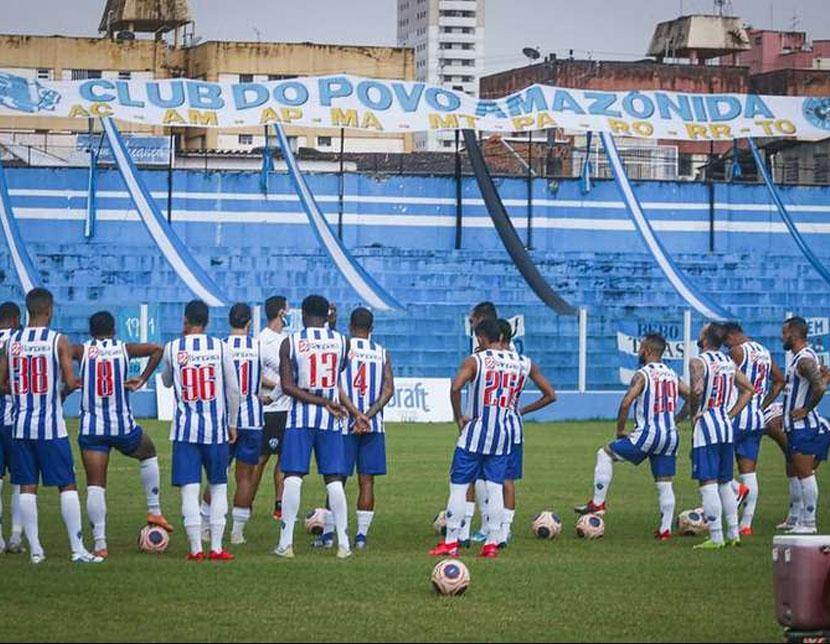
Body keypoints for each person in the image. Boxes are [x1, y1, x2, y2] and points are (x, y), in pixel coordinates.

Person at [0, 288, 101, 564]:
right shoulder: (58, 340)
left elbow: (2, 383)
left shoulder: (13, 342)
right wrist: (61, 393)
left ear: (29, 309)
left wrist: (21, 393)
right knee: (66, 484)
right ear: (49, 309)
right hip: (50, 426)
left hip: (20, 424)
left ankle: (35, 550)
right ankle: (78, 550)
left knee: (27, 486)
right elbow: (70, 381)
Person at [273, 295, 368, 560]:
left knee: (292, 476)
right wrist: (327, 400)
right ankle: (344, 544)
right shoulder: (341, 341)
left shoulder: (289, 342)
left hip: (301, 417)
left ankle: (286, 543)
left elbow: (288, 386)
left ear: (303, 315)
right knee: (334, 479)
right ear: (327, 315)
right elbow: (339, 371)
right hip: (331, 419)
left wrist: (319, 399)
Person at [72, 310, 171, 558]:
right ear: (114, 330)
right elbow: (158, 349)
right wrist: (142, 378)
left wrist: (69, 381)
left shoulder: (81, 351)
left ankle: (100, 544)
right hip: (122, 426)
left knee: (96, 484)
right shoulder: (124, 348)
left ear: (91, 332)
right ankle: (154, 509)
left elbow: (59, 355)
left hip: (92, 427)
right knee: (148, 452)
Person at [430, 319, 531, 559]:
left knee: (459, 485)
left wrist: (459, 417)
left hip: (476, 432)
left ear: (482, 338)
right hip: (504, 434)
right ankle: (492, 544)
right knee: (495, 488)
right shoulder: (522, 362)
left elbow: (456, 387)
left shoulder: (476, 360)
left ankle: (451, 542)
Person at [575, 333, 690, 540]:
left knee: (605, 454)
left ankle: (598, 503)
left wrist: (620, 430)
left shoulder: (642, 374)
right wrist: (677, 419)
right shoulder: (672, 374)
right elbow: (691, 396)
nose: (639, 352)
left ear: (646, 351)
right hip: (671, 436)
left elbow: (626, 402)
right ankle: (665, 530)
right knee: (665, 483)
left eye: (641, 348)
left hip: (648, 433)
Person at [161, 300, 240, 561]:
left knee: (189, 489)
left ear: (186, 320)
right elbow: (233, 390)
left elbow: (166, 381)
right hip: (216, 429)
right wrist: (232, 423)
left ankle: (195, 549)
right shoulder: (220, 347)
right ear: (206, 321)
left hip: (185, 431)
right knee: (218, 486)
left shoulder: (172, 348)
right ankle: (216, 547)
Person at [687, 323, 754, 550]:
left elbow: (696, 390)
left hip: (707, 427)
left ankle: (716, 537)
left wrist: (694, 413)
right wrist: (731, 413)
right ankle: (734, 534)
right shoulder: (728, 362)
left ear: (705, 339)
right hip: (726, 427)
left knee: (708, 482)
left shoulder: (698, 361)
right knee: (725, 483)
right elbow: (749, 389)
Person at [494, 318, 556, 546]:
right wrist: (521, 411)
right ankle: (504, 531)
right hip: (513, 428)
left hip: (489, 428)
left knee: (487, 479)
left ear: (498, 337)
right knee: (506, 480)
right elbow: (551, 394)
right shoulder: (523, 362)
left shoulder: (487, 361)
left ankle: (488, 528)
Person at [722, 321, 784, 536]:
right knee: (749, 471)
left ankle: (736, 491)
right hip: (756, 418)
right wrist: (763, 404)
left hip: (736, 416)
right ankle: (746, 524)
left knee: (717, 463)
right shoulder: (764, 351)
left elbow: (725, 378)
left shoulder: (736, 351)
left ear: (732, 336)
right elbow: (779, 381)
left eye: (726, 341)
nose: (726, 346)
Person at [341, 307, 395, 549]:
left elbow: (336, 386)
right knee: (367, 481)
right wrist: (368, 416)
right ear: (371, 329)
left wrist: (356, 415)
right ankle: (361, 536)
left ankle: (331, 533)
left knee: (337, 479)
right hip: (373, 426)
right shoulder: (382, 353)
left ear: (351, 326)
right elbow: (388, 390)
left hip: (344, 423)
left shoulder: (343, 348)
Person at [224, 303, 273, 545]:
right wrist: (266, 396)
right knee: (244, 477)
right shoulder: (258, 346)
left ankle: (205, 527)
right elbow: (278, 375)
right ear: (248, 323)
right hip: (252, 418)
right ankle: (237, 532)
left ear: (229, 321)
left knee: (217, 474)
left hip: (225, 419)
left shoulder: (220, 346)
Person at [780, 316, 828, 534]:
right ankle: (799, 519)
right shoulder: (803, 357)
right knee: (799, 473)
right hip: (797, 427)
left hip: (804, 427)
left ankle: (809, 523)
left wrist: (806, 409)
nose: (782, 337)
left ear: (792, 333)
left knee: (805, 474)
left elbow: (819, 387)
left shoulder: (803, 360)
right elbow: (820, 382)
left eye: (784, 333)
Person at [255, 295, 291, 521]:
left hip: (287, 408)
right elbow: (254, 375)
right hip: (269, 408)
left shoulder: (288, 339)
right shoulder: (261, 340)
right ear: (280, 313)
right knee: (261, 458)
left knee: (285, 460)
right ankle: (245, 504)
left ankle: (280, 506)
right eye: (286, 310)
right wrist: (281, 386)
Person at [0, 301, 23, 553]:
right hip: (14, 420)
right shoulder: (19, 339)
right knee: (20, 479)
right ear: (16, 319)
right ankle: (16, 536)